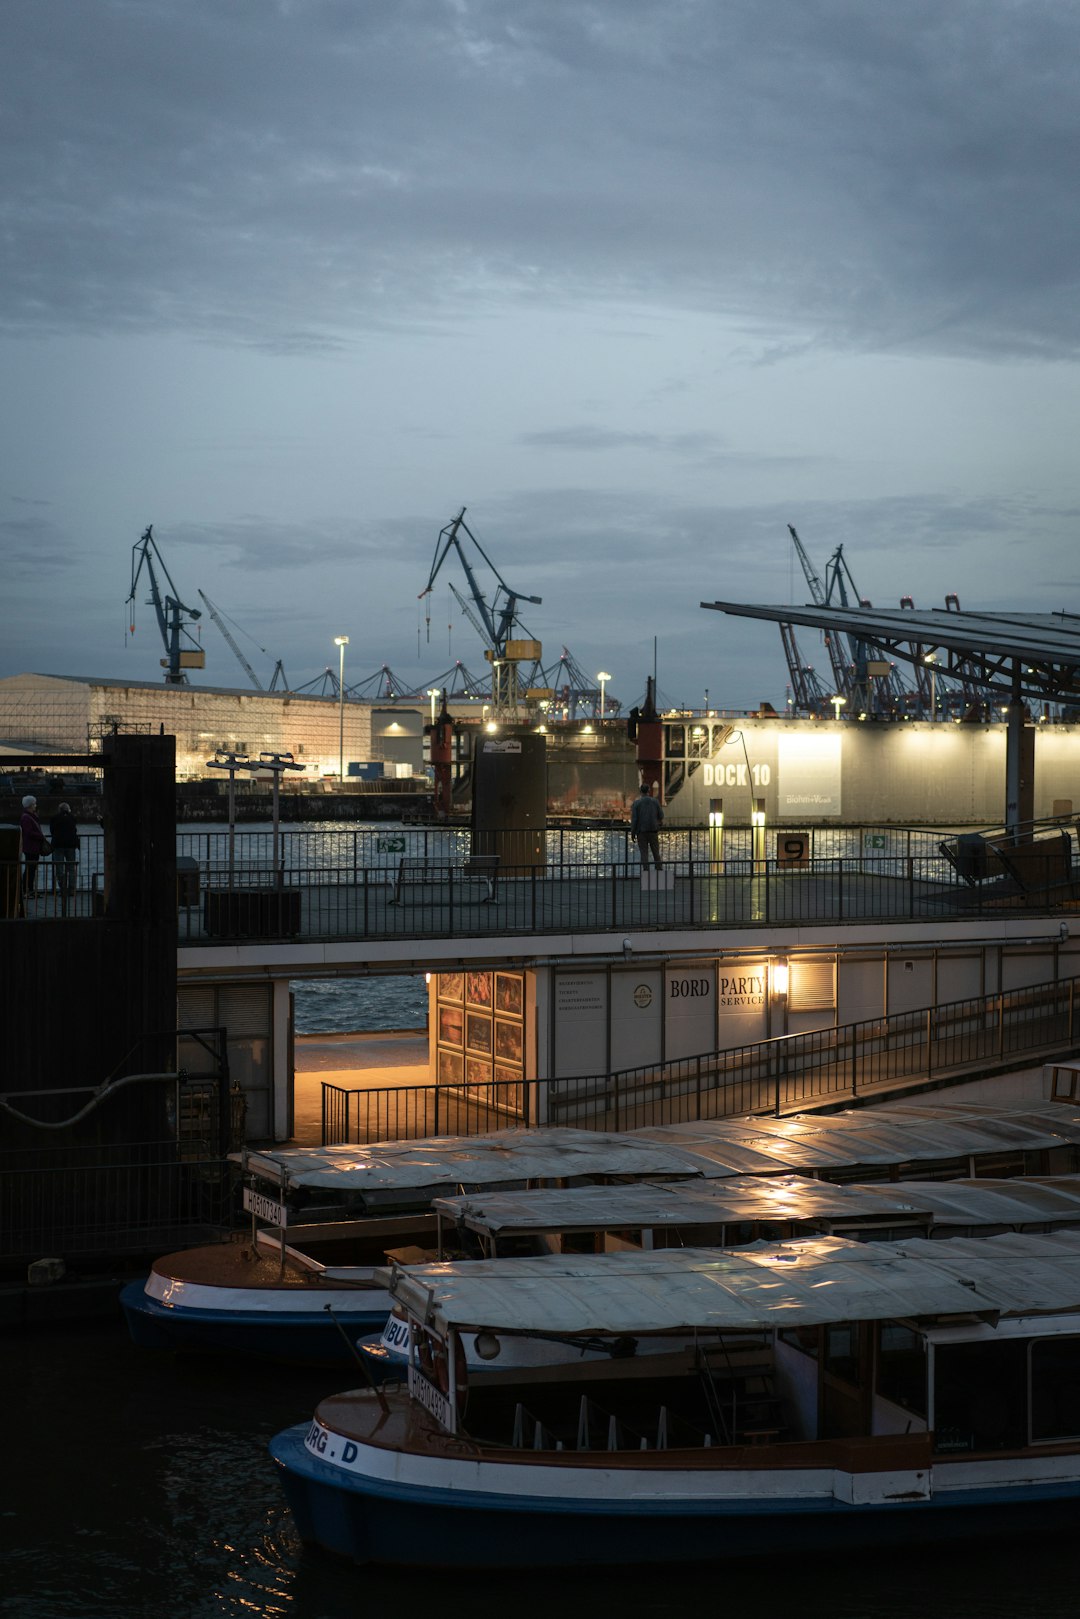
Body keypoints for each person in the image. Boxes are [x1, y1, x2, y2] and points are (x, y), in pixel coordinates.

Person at [49, 801, 80, 914]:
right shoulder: (72, 818)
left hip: (58, 845)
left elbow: (52, 831)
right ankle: (71, 889)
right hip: (71, 845)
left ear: (60, 809)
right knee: (71, 867)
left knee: (59, 867)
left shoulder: (55, 818)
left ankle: (62, 889)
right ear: (68, 809)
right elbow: (75, 830)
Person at [19, 794, 48, 905]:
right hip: (31, 847)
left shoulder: (28, 816)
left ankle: (29, 890)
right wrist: (40, 836)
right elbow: (29, 832)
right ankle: (27, 890)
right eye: (34, 804)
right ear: (30, 805)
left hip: (32, 846)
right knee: (30, 869)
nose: (35, 805)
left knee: (31, 869)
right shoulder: (27, 817)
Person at [630, 781, 664, 870]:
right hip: (653, 831)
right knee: (656, 853)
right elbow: (661, 815)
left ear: (640, 791)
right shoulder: (655, 802)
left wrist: (633, 833)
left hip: (641, 832)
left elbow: (634, 820)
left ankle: (646, 873)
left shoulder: (636, 803)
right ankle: (659, 871)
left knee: (644, 854)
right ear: (649, 791)